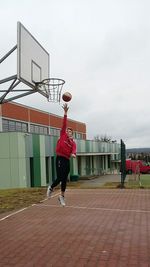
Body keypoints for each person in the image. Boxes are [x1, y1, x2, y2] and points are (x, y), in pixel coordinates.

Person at [47, 103, 76, 206]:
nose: (68, 132)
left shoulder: (72, 142)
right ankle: (51, 188)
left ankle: (62, 196)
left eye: (70, 131)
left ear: (72, 134)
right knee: (60, 177)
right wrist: (65, 113)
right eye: (67, 130)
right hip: (60, 158)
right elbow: (64, 123)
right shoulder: (62, 135)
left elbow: (74, 150)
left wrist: (73, 154)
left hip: (67, 160)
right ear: (65, 132)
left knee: (64, 179)